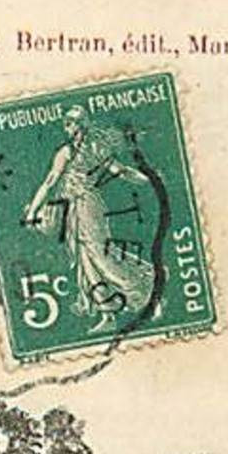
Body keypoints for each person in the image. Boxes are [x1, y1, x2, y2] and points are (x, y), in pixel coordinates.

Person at [22, 106, 155, 332]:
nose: (68, 128)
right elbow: (50, 181)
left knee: (100, 257)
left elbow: (119, 171)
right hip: (73, 208)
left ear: (80, 124)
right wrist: (33, 210)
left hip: (87, 206)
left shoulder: (83, 150)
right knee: (87, 261)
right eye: (67, 124)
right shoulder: (73, 150)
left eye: (71, 123)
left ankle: (146, 290)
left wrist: (148, 179)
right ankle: (108, 313)